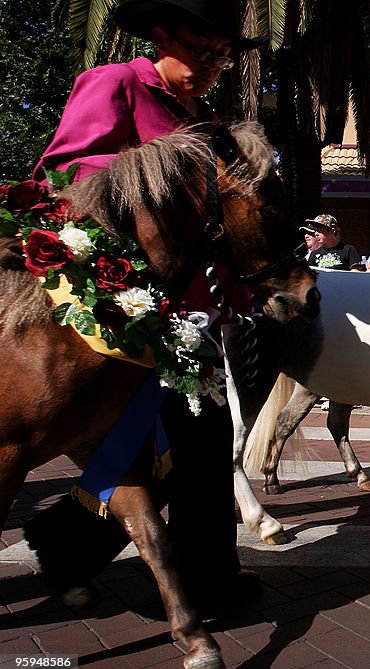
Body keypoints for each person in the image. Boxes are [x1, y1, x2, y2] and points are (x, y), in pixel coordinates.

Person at [25, 0, 264, 607]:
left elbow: (214, 221)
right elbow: (66, 171)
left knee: (205, 450)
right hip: (121, 308)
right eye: (202, 51)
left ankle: (208, 576)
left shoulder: (206, 117)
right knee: (158, 451)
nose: (214, 66)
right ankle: (72, 543)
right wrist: (165, 168)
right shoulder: (116, 82)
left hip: (189, 310)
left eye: (222, 57)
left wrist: (236, 288)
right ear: (160, 37)